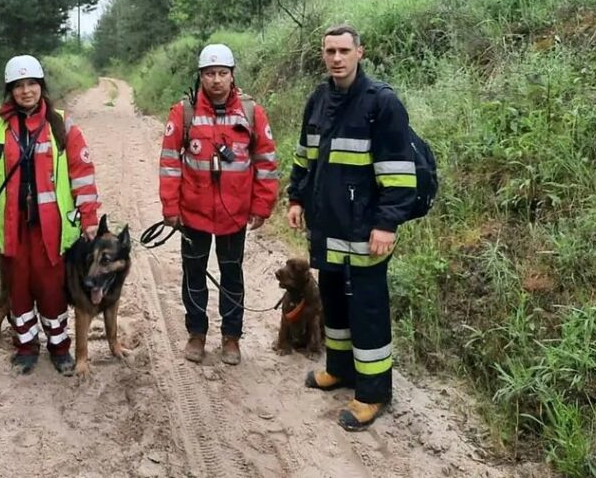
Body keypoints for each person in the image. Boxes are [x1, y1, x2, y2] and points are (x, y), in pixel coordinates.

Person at [287, 25, 418, 431]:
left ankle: (373, 393)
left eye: (344, 50)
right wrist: (295, 196)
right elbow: (305, 154)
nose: (337, 58)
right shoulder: (319, 98)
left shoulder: (382, 103)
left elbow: (398, 171)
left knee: (368, 310)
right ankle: (339, 369)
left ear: (360, 52)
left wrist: (387, 224)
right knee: (334, 303)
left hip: (365, 231)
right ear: (323, 54)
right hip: (327, 226)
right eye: (330, 51)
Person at [0, 55, 100, 376]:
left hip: (51, 228)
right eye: (18, 86)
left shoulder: (62, 125)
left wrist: (90, 220)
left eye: (32, 84)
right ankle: (25, 346)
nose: (26, 91)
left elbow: (83, 176)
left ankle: (59, 347)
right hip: (12, 227)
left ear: (41, 87)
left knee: (52, 289)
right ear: (9, 90)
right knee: (19, 288)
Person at [158, 43, 279, 366]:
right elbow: (170, 163)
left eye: (222, 73)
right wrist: (170, 207)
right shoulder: (183, 112)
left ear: (232, 76)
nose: (216, 80)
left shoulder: (252, 112)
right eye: (210, 74)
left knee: (231, 275)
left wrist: (262, 205)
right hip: (193, 214)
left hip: (234, 215)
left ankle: (231, 338)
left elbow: (266, 161)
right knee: (193, 274)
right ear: (200, 76)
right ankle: (196, 334)